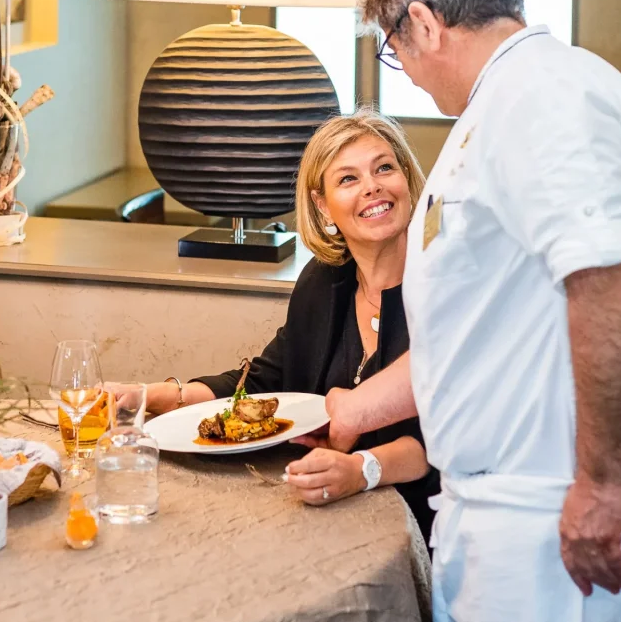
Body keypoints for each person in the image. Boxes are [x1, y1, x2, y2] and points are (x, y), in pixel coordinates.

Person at [326, 0, 621, 622]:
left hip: (563, 543)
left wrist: (599, 487)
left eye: (394, 50)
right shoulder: (516, 100)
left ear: (423, 23)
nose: (402, 70)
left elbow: (616, 280)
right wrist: (351, 409)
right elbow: (492, 332)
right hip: (523, 520)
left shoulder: (542, 97)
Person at [147, 110, 440, 545]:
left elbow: (445, 434)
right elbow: (268, 380)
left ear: (407, 180)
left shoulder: (443, 285)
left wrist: (362, 469)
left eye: (384, 168)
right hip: (321, 515)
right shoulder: (325, 281)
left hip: (418, 526)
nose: (373, 186)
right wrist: (162, 396)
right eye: (348, 179)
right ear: (322, 205)